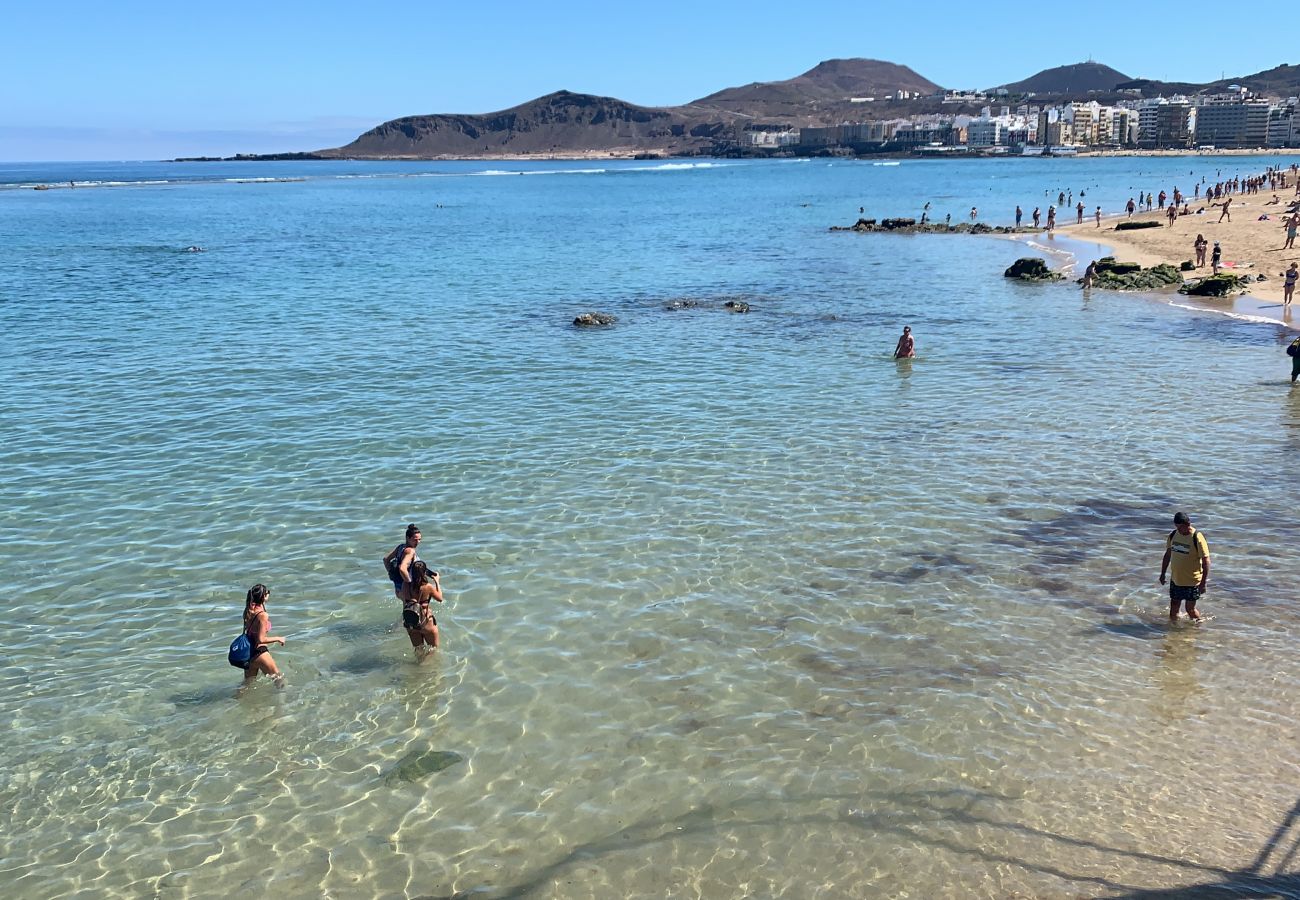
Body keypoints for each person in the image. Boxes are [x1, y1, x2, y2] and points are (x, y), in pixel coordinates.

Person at [1159, 512, 1209, 623]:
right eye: (1177, 527)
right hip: (1176, 580)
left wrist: (1203, 583)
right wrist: (1162, 573)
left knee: (1190, 609)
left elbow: (1206, 561)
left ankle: (1198, 628)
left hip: (1192, 581)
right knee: (1174, 608)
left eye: (1181, 527)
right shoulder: (1173, 535)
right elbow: (1167, 555)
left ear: (1188, 524)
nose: (1179, 530)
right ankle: (1173, 633)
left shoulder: (1197, 537)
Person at [236, 584, 286, 685]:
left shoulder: (248, 611)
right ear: (263, 596)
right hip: (260, 652)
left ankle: (235, 700)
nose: (268, 594)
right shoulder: (263, 615)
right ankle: (286, 700)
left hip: (249, 654)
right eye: (267, 593)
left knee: (246, 685)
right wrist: (278, 638)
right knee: (280, 680)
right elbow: (261, 639)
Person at [400, 561, 443, 656]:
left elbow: (401, 596)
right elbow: (440, 598)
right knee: (433, 649)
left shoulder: (405, 585)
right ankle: (426, 668)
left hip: (411, 622)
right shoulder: (427, 587)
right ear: (424, 572)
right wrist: (437, 581)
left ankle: (418, 666)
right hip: (426, 622)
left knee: (418, 651)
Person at [383, 523, 423, 598]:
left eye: (419, 539)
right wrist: (410, 584)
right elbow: (402, 568)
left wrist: (392, 575)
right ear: (407, 538)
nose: (418, 542)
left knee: (409, 609)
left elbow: (386, 560)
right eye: (415, 540)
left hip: (399, 588)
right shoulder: (410, 551)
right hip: (408, 590)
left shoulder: (401, 547)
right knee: (422, 608)